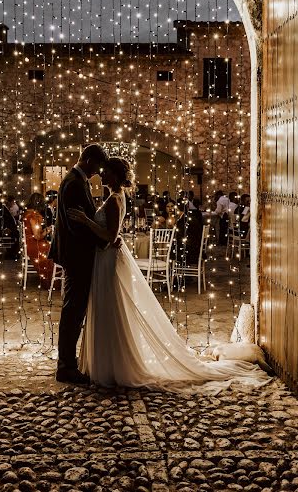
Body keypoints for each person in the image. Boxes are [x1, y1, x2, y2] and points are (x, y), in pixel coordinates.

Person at [68, 158, 269, 392]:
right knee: (111, 308)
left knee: (111, 308)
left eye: (105, 173)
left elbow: (110, 236)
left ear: (115, 175)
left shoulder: (114, 199)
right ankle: (110, 363)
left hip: (108, 258)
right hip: (106, 258)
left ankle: (113, 366)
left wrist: (84, 220)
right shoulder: (115, 196)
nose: (101, 176)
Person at [49, 143, 109, 385]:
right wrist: (103, 240)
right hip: (76, 255)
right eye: (96, 166)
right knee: (73, 311)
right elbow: (76, 226)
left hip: (76, 254)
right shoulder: (74, 183)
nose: (98, 172)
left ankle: (68, 362)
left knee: (74, 310)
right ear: (87, 159)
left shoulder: (77, 180)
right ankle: (66, 366)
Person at [23, 193, 53, 288]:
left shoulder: (26, 213)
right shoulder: (34, 216)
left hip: (28, 244)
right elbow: (37, 236)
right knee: (53, 250)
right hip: (35, 245)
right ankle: (52, 279)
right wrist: (48, 230)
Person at [174, 198, 203, 265]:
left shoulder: (183, 220)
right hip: (196, 248)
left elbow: (180, 235)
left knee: (170, 249)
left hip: (189, 251)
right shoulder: (190, 216)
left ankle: (168, 269)